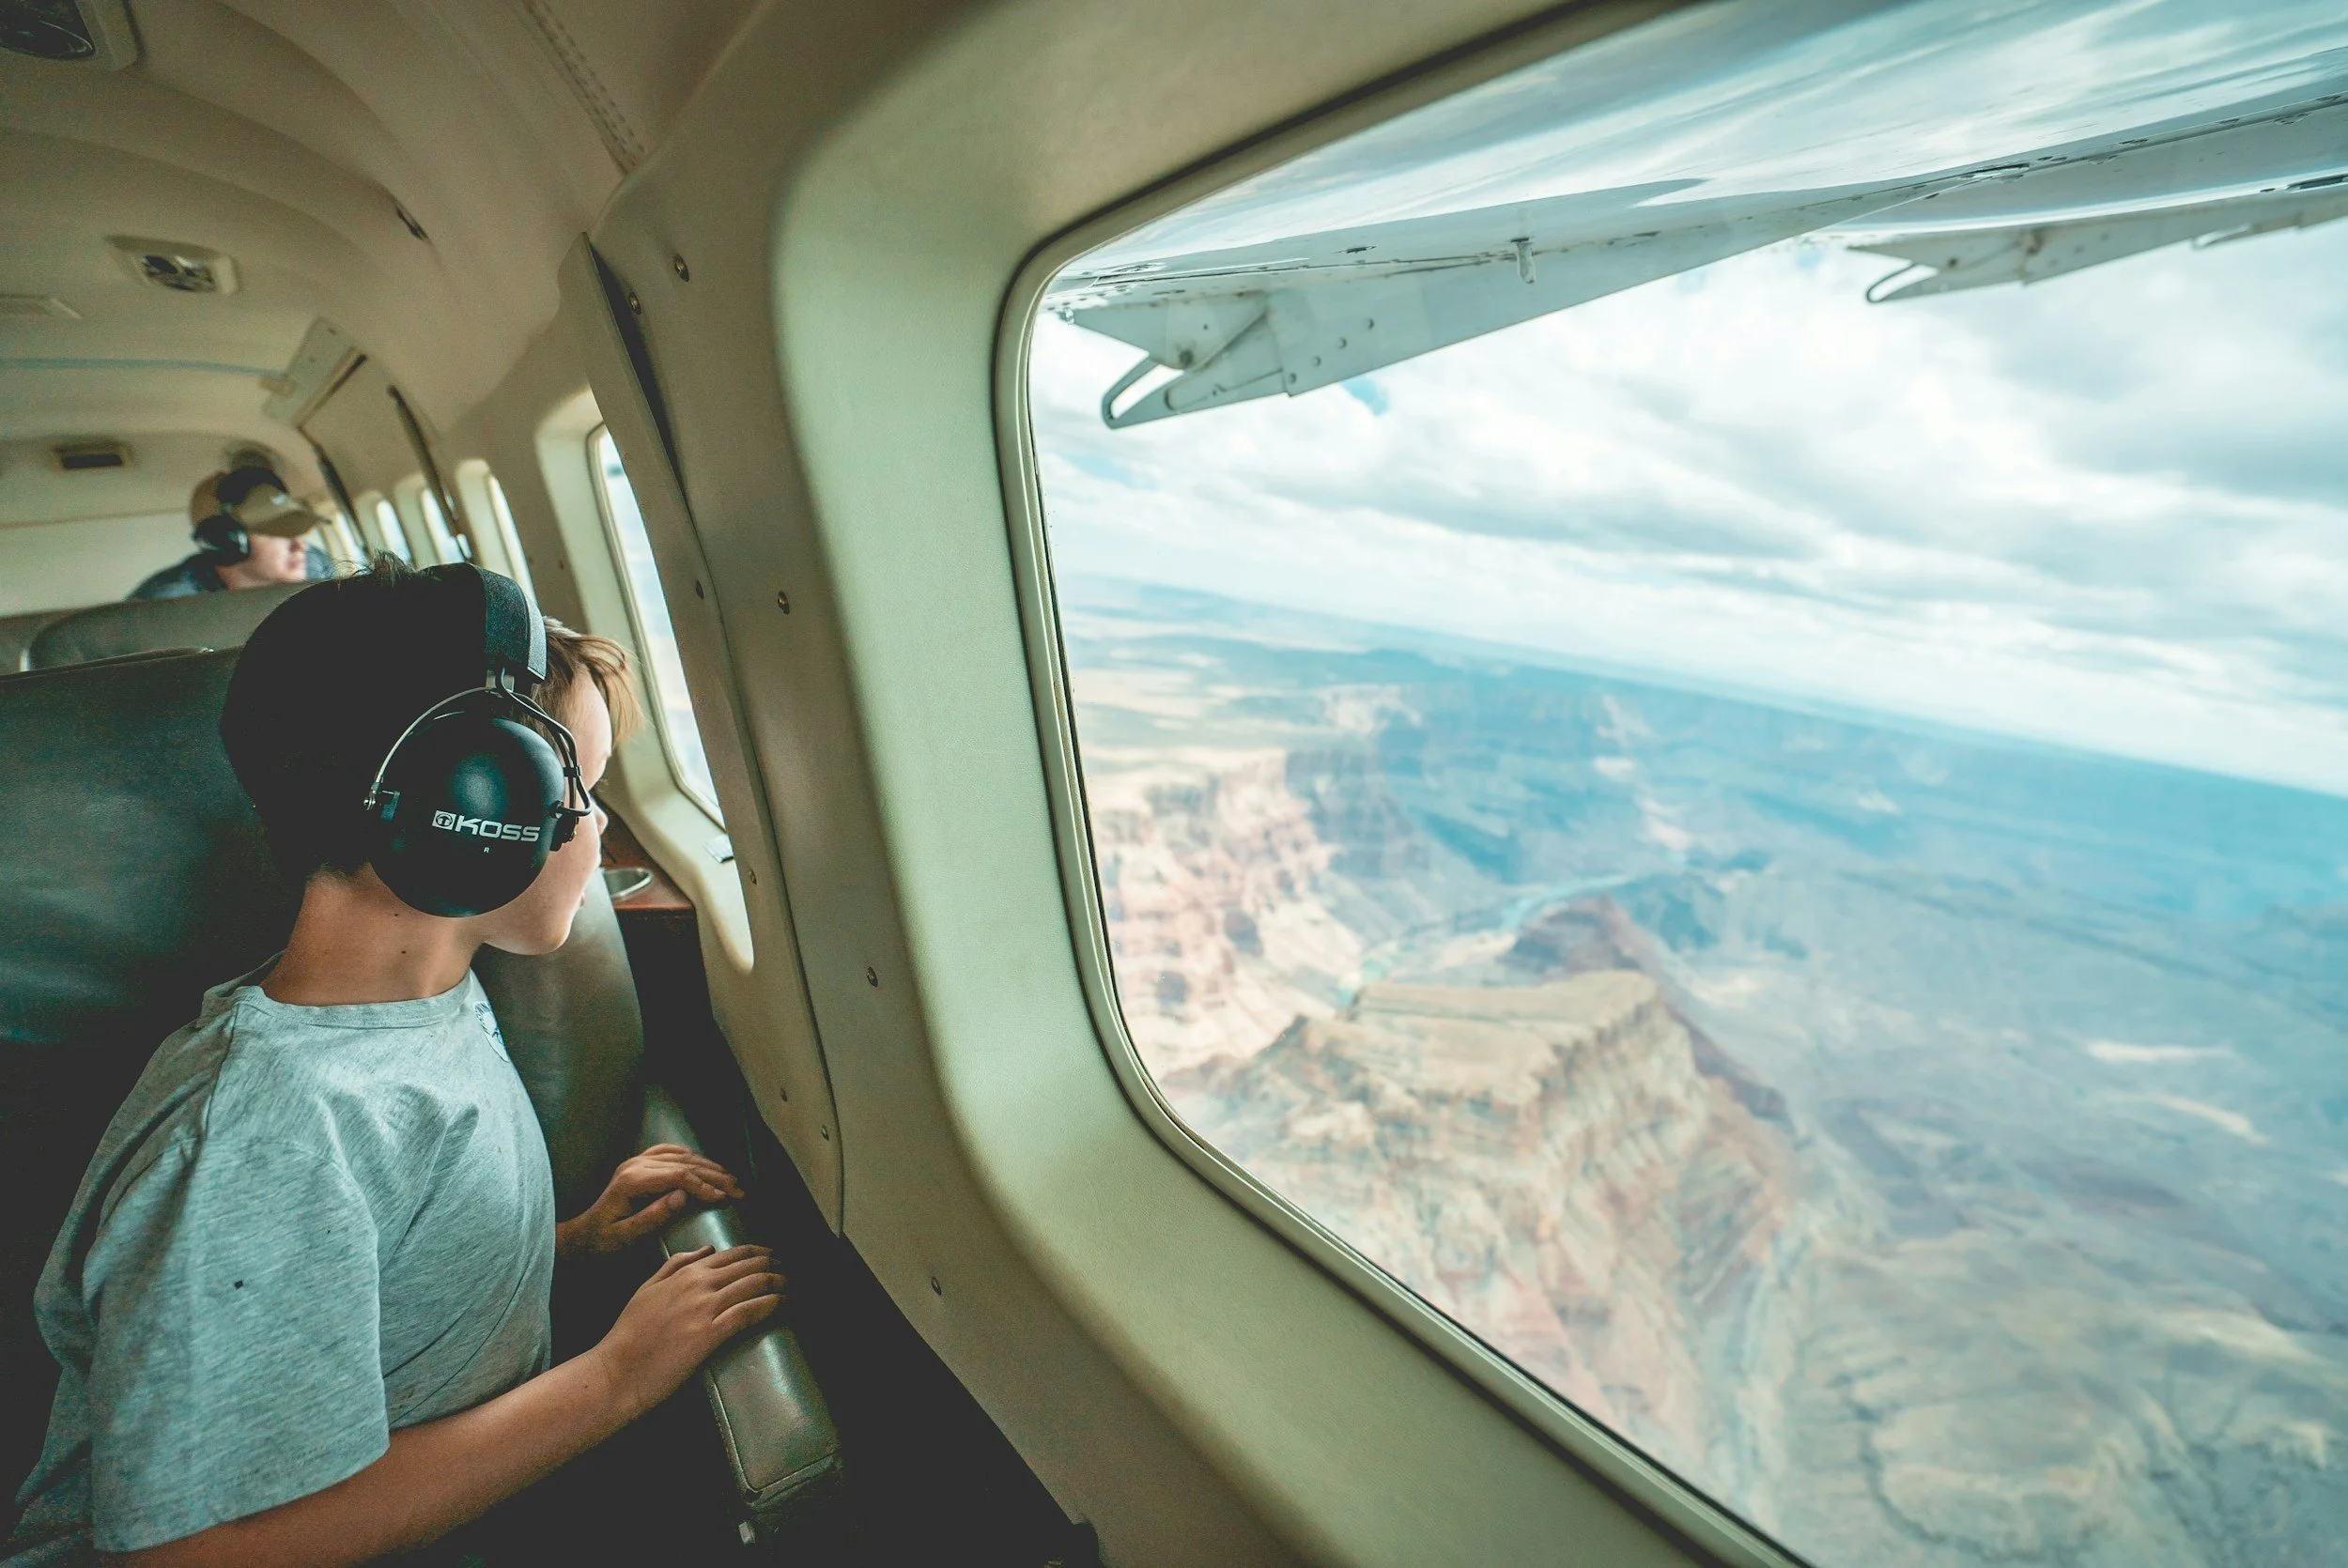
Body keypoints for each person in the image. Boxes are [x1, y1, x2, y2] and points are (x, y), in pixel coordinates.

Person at [5, 561, 782, 1566]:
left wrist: (562, 1243)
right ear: (472, 795)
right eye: (575, 788)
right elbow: (192, 1548)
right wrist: (615, 1378)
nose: (593, 827)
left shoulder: (426, 1004)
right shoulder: (269, 1130)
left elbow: (357, 1280)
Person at [128, 466, 336, 600]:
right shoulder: (163, 605)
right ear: (224, 543)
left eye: (295, 528)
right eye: (275, 533)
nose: (301, 546)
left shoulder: (318, 567)